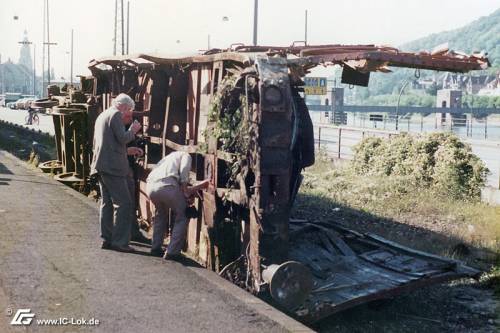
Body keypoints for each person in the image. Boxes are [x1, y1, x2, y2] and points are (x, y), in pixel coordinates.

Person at [90, 93, 142, 253]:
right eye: (128, 110)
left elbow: (108, 143)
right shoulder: (115, 115)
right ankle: (120, 242)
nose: (128, 113)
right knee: (124, 203)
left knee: (106, 203)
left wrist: (126, 151)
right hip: (113, 168)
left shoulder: (103, 115)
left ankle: (106, 238)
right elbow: (123, 137)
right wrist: (133, 130)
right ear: (124, 106)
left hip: (101, 165)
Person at [146, 151, 209, 259]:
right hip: (168, 185)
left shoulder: (170, 157)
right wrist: (185, 188)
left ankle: (155, 247)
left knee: (160, 215)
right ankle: (172, 252)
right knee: (183, 215)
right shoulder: (186, 155)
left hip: (150, 186)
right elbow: (184, 170)